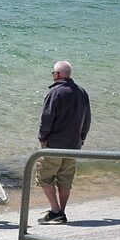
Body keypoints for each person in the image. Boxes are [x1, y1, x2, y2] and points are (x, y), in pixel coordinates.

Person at [36, 60, 91, 225]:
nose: (53, 76)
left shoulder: (55, 93)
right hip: (73, 145)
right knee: (65, 179)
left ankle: (55, 210)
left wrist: (42, 138)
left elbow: (47, 118)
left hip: (54, 144)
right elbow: (87, 119)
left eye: (53, 73)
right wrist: (82, 137)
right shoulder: (82, 92)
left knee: (44, 177)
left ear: (58, 74)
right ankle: (62, 211)